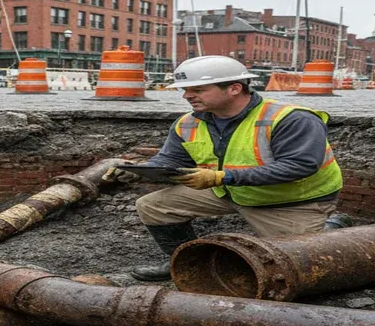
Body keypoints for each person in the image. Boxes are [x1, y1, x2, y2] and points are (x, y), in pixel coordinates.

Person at [106, 55, 342, 281]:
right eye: (185, 90)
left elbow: (299, 167)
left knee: (302, 264)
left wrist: (221, 176)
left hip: (291, 200)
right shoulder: (189, 122)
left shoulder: (290, 119)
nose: (187, 96)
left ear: (234, 88)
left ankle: (334, 225)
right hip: (229, 190)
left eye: (197, 90)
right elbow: (170, 160)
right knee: (153, 206)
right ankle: (183, 262)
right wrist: (139, 170)